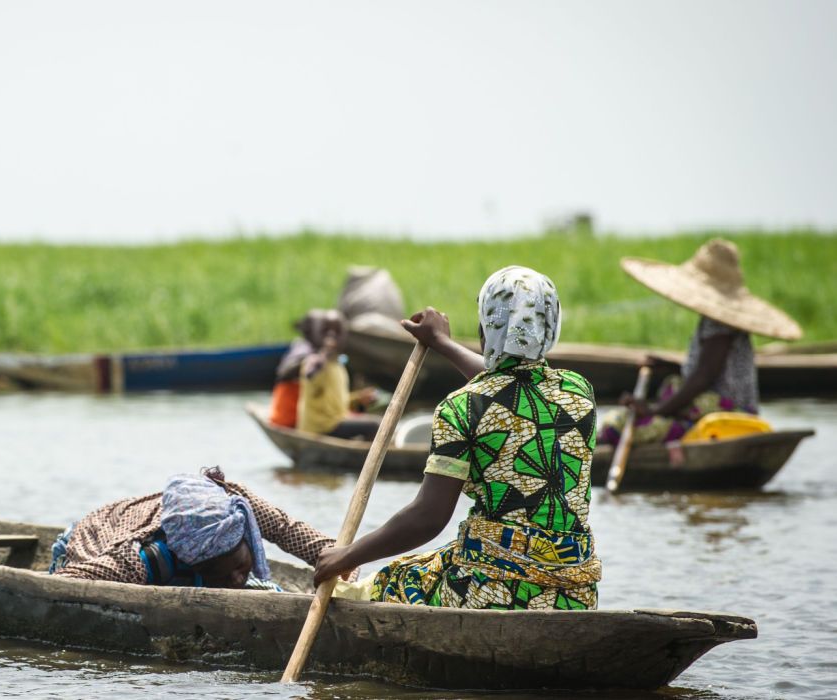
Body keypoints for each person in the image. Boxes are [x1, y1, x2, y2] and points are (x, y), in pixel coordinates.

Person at [314, 266, 603, 610]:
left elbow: (428, 518)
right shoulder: (578, 391)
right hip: (575, 592)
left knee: (392, 580)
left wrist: (347, 555)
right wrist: (441, 343)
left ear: (486, 329)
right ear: (550, 327)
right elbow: (508, 389)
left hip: (491, 590)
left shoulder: (461, 407)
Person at [599, 239, 803, 445]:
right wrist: (670, 366)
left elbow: (704, 377)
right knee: (672, 385)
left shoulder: (721, 324)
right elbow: (710, 371)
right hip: (723, 412)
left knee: (615, 427)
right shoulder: (718, 323)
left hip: (727, 418)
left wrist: (654, 410)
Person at [50, 467, 346, 589]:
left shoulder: (234, 506)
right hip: (86, 542)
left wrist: (343, 561)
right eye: (220, 571)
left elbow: (287, 529)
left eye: (241, 564)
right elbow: (66, 582)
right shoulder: (134, 562)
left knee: (266, 589)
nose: (236, 577)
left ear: (244, 536)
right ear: (193, 561)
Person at [294, 311, 381, 440]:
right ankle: (369, 458)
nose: (331, 335)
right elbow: (310, 374)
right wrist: (323, 355)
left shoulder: (338, 365)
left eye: (337, 331)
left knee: (377, 420)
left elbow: (337, 404)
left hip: (335, 422)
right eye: (326, 331)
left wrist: (359, 399)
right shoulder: (314, 361)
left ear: (344, 336)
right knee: (375, 425)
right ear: (318, 334)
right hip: (319, 428)